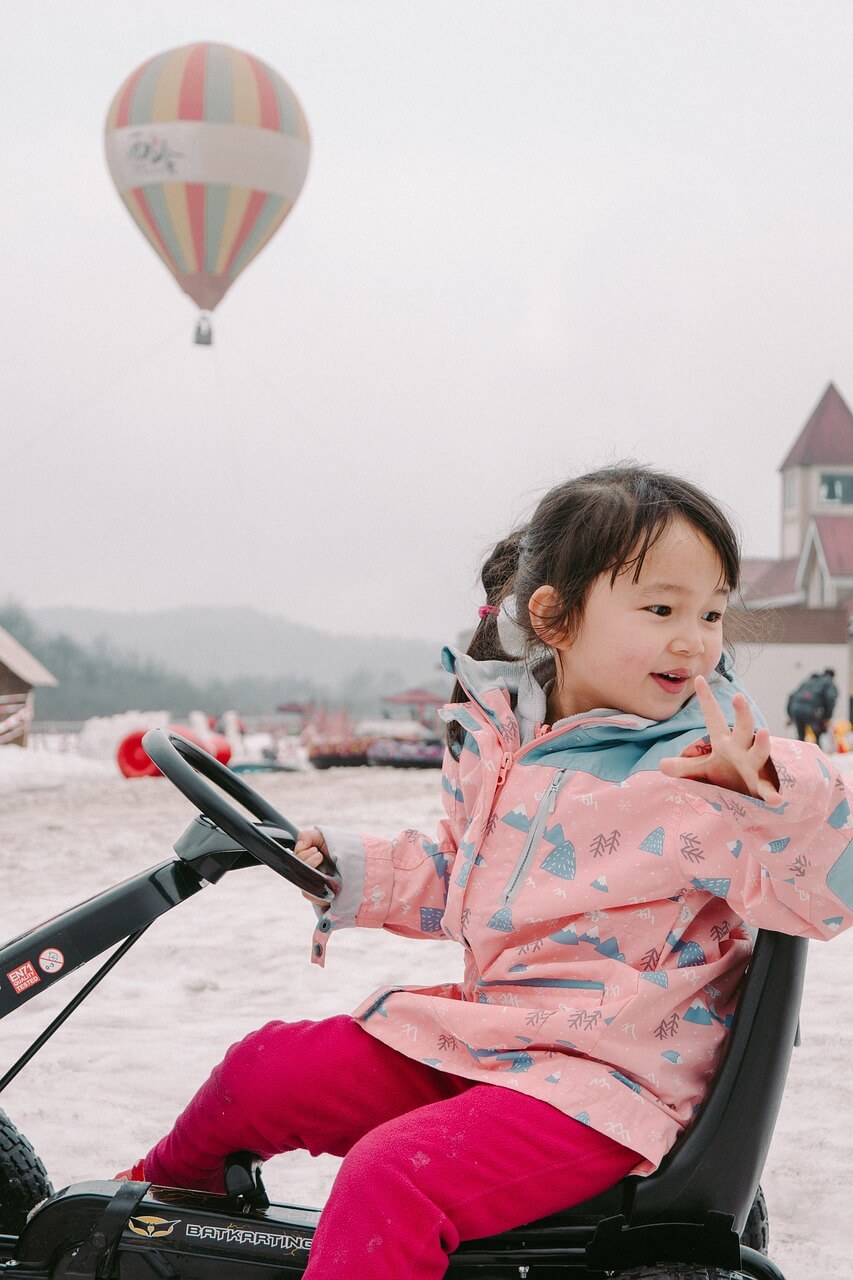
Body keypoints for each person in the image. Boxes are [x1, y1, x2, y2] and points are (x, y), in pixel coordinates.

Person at [118, 465, 853, 1280]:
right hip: (495, 1040)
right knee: (264, 1069)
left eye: (711, 612)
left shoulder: (700, 772)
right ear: (554, 618)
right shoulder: (510, 746)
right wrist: (348, 868)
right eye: (661, 609)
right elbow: (463, 873)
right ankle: (136, 1217)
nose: (695, 639)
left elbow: (829, 877)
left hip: (607, 1088)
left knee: (396, 1179)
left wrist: (775, 791)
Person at [787, 669, 837, 745]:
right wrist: (827, 717)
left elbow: (792, 696)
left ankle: (800, 754)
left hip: (796, 709)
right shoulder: (828, 683)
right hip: (812, 711)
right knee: (817, 734)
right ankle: (818, 752)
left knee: (801, 736)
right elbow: (830, 698)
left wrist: (790, 715)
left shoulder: (808, 681)